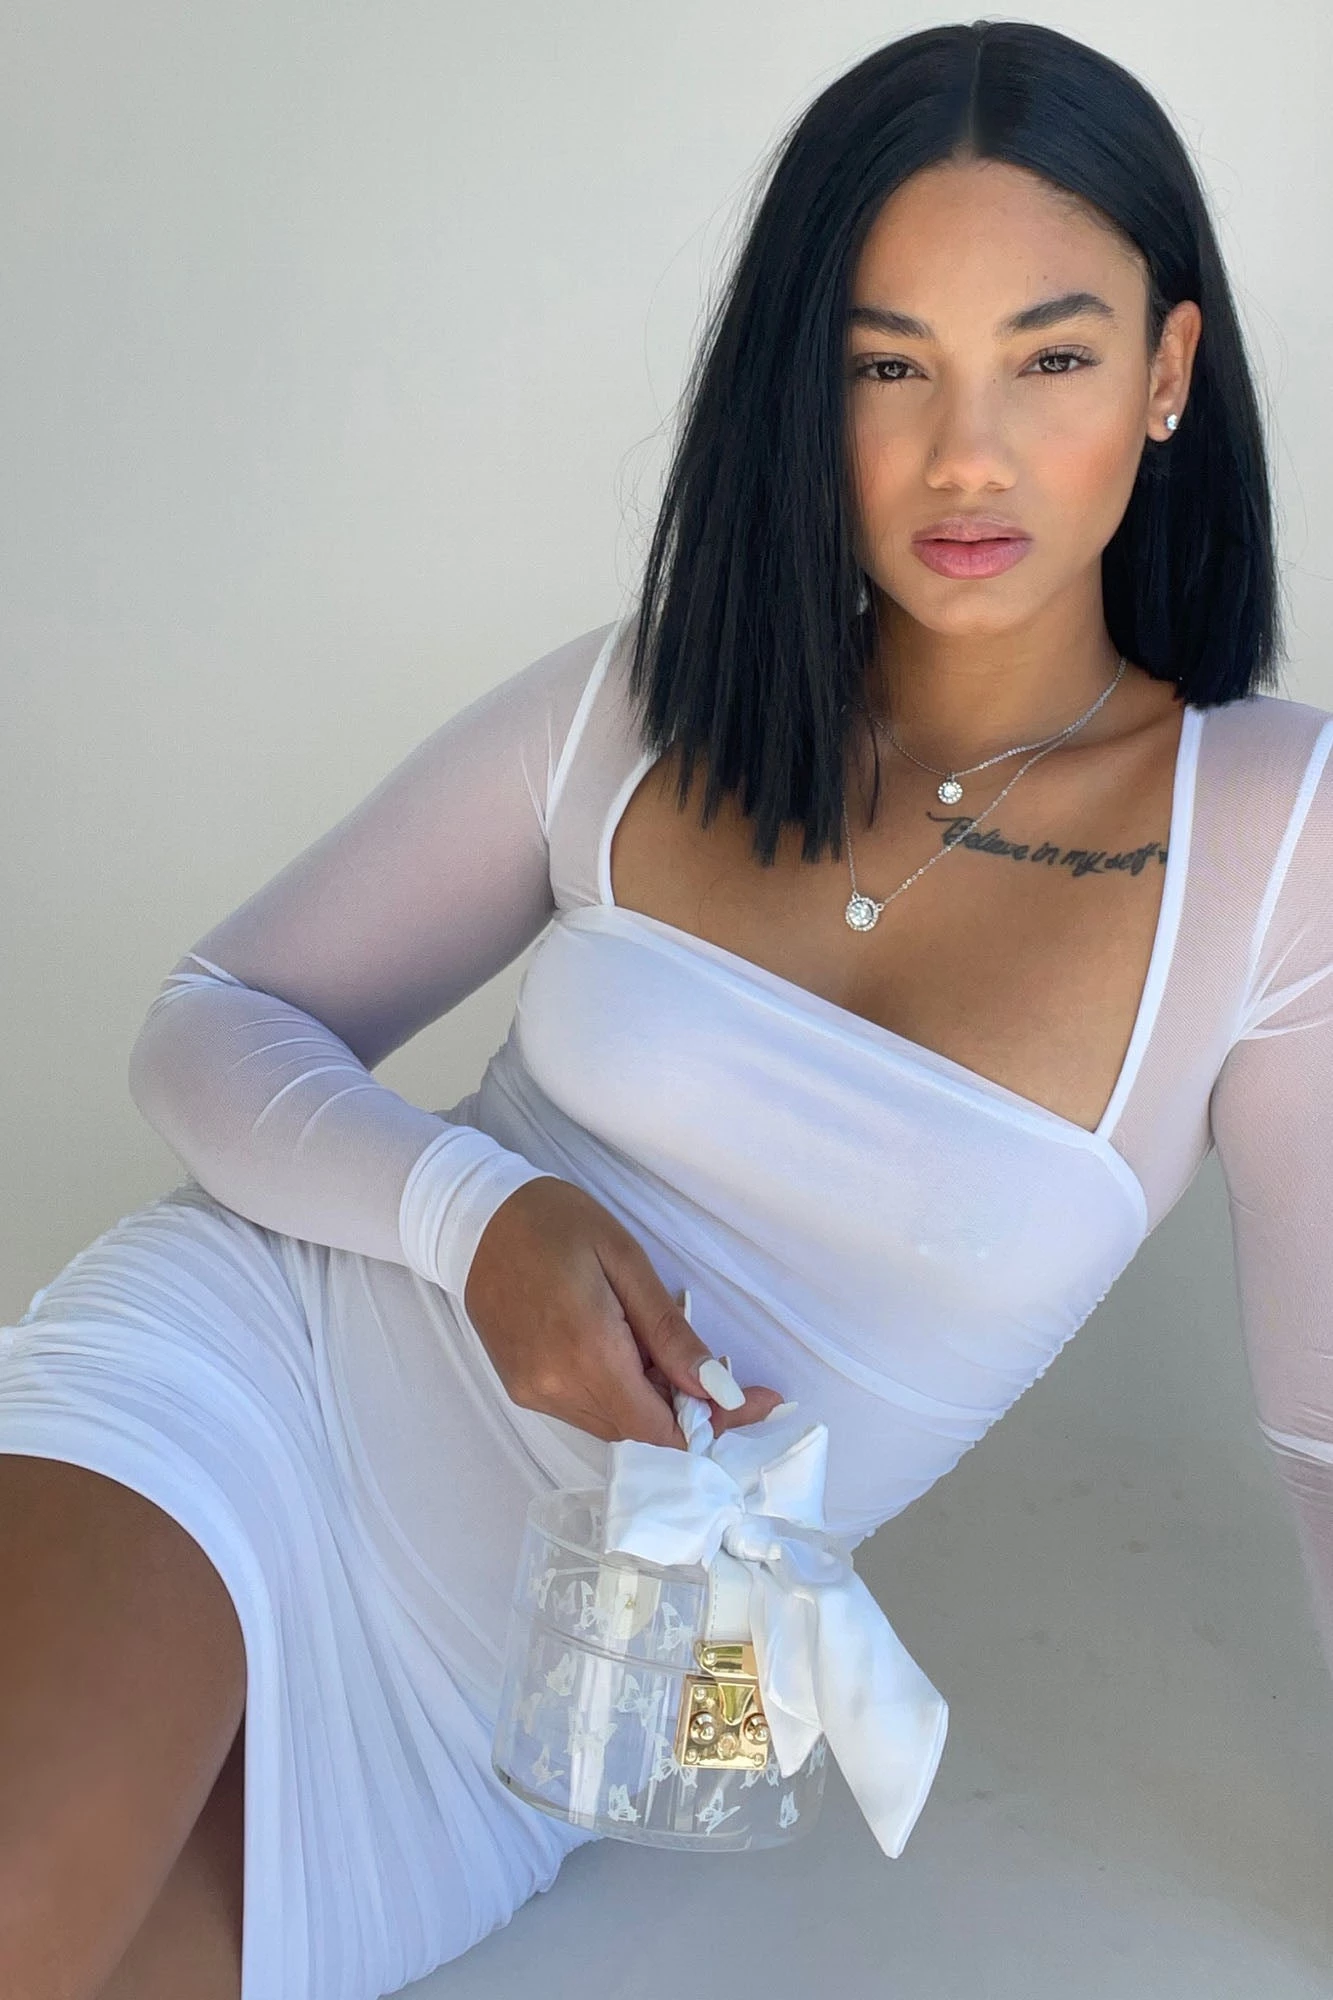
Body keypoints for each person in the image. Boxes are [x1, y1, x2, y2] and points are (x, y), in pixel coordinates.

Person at [3, 18, 1330, 2000]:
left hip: (535, 1709)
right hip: (252, 1397)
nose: (967, 454)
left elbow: (1324, 1430)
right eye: (888, 365)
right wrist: (477, 1216)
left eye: (1049, 359)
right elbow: (215, 1015)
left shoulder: (1278, 840)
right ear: (806, 387)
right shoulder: (643, 703)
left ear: (1166, 372)